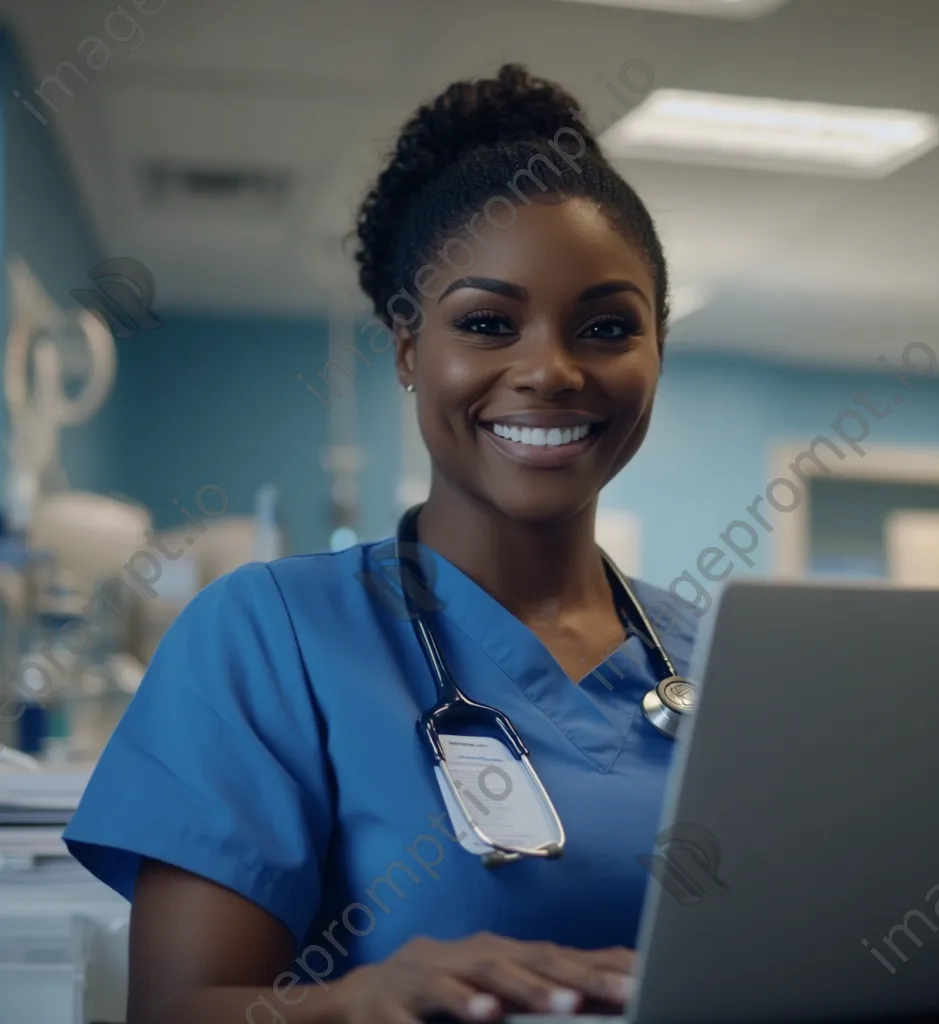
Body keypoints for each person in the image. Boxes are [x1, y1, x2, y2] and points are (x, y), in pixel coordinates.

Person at [63, 63, 699, 1024]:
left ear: (657, 348)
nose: (552, 371)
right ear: (408, 349)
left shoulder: (726, 658)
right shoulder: (266, 634)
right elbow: (173, 1012)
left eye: (607, 327)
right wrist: (353, 1001)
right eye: (487, 323)